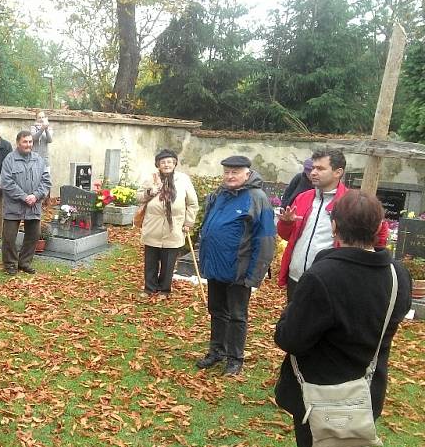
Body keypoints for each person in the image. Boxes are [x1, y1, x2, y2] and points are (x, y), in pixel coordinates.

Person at [274, 190, 411, 447]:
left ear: (335, 226)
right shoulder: (397, 274)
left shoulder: (324, 276)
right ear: (379, 227)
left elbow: (290, 337)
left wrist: (287, 317)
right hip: (366, 389)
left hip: (321, 395)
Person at [196, 155, 276, 376]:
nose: (230, 176)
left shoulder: (257, 198)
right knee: (216, 311)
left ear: (247, 174)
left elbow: (266, 239)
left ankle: (235, 358)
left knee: (237, 315)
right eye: (227, 172)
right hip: (215, 267)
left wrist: (254, 275)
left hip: (239, 271)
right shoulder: (220, 195)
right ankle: (216, 351)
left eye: (235, 172)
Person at [278, 149, 389, 303]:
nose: (314, 173)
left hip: (330, 280)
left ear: (338, 172)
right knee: (294, 323)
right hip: (296, 278)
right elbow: (286, 236)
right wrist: (286, 223)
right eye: (313, 168)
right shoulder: (302, 198)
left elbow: (377, 237)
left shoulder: (351, 202)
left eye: (320, 169)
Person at [137, 149, 199, 297]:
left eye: (170, 161)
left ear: (175, 163)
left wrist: (188, 222)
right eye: (163, 162)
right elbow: (138, 197)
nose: (166, 164)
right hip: (153, 225)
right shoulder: (151, 179)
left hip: (175, 227)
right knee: (150, 261)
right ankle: (149, 288)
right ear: (158, 164)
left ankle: (164, 290)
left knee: (169, 261)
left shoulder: (183, 179)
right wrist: (150, 192)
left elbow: (192, 203)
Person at [0, 130, 50, 275]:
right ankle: (10, 264)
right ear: (18, 143)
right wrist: (23, 196)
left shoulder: (39, 160)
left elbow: (46, 181)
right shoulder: (9, 160)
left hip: (33, 205)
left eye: (30, 142)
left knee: (33, 235)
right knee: (9, 237)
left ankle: (24, 262)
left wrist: (36, 195)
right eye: (25, 142)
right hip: (14, 205)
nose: (28, 145)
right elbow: (6, 182)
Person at [30, 111, 53, 202]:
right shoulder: (33, 127)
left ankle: (46, 200)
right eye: (39, 117)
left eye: (43, 117)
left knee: (46, 178)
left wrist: (46, 129)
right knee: (35, 178)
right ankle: (35, 197)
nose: (41, 119)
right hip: (34, 158)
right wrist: (41, 129)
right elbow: (34, 138)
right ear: (36, 119)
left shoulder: (49, 128)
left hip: (45, 159)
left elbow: (50, 140)